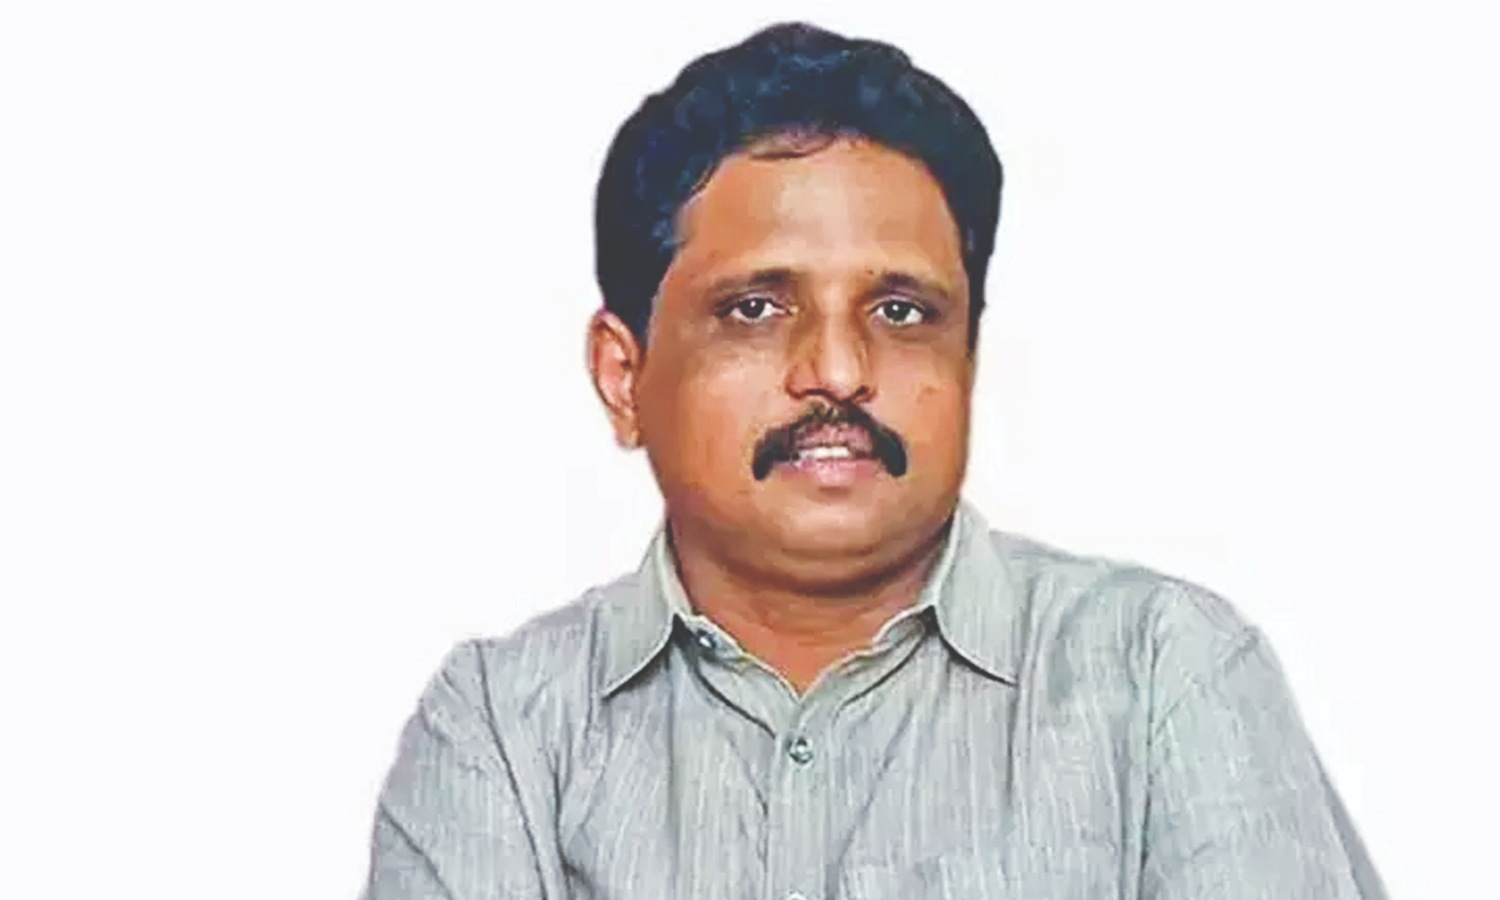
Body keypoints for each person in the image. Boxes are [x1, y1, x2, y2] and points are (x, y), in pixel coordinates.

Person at [362, 21, 1386, 900]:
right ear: (623, 377)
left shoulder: (1166, 675)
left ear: (968, 359)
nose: (840, 372)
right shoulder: (504, 731)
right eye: (755, 308)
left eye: (900, 312)